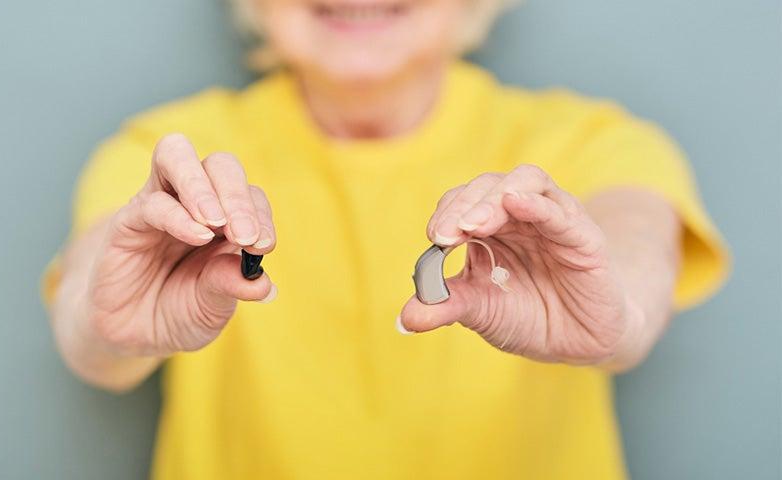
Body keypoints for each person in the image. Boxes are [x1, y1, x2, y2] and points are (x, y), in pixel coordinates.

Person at [42, 0, 729, 478]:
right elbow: (91, 319)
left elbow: (636, 251)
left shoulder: (592, 143)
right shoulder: (167, 155)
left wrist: (618, 314)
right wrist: (110, 331)